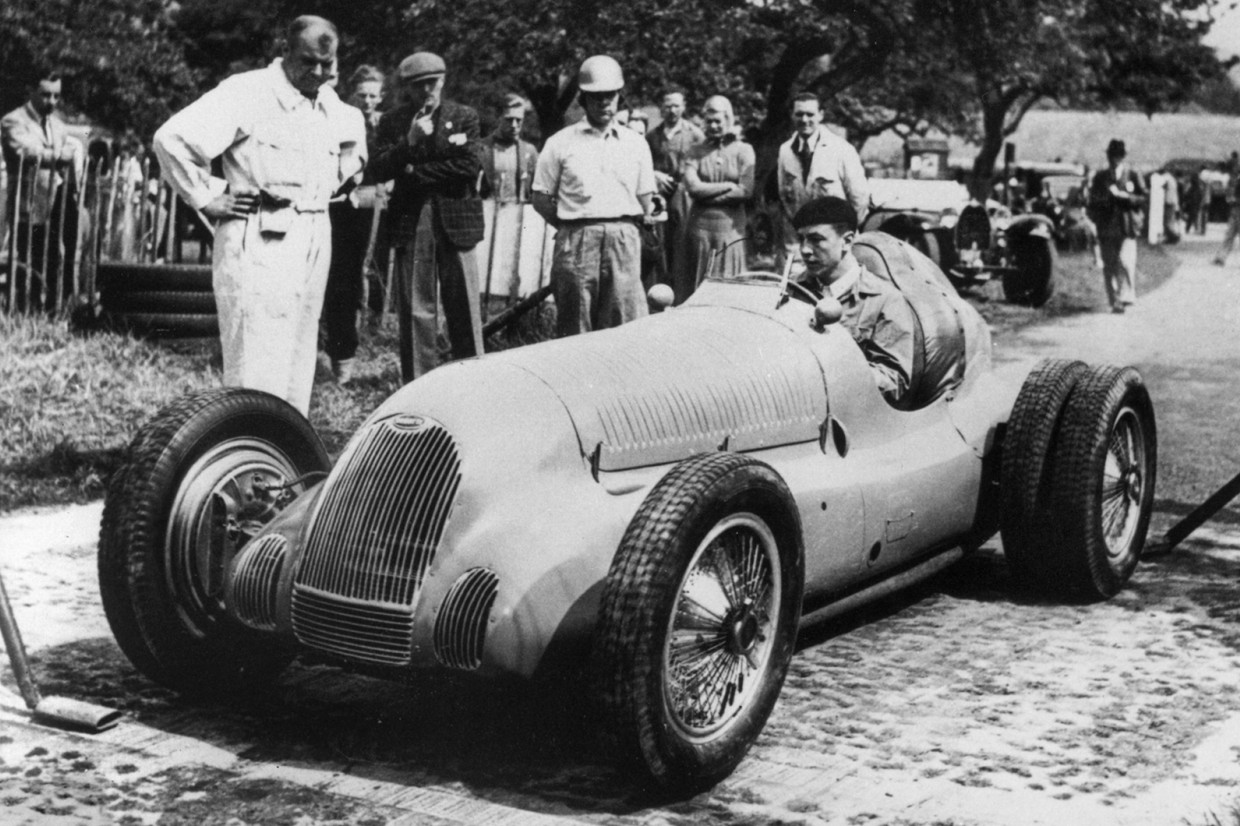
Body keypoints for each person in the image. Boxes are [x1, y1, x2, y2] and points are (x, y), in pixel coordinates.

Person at [153, 15, 367, 415]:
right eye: (308, 62)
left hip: (313, 233)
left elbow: (353, 149)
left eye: (327, 64)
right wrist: (209, 196)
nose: (317, 73)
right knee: (258, 361)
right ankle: (250, 448)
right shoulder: (248, 92)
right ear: (285, 50)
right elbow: (172, 140)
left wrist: (332, 181)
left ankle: (284, 448)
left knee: (298, 361)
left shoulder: (329, 103)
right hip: (261, 237)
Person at [367, 52, 486, 384]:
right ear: (407, 88)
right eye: (418, 85)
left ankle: (474, 382)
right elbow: (377, 169)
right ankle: (420, 386)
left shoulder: (464, 117)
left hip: (457, 220)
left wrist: (414, 172)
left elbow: (469, 166)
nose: (426, 91)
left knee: (464, 306)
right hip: (412, 219)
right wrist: (409, 142)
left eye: (432, 83)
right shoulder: (393, 122)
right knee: (416, 308)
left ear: (443, 80)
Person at [532, 55, 657, 337]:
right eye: (596, 96)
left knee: (626, 324)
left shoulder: (636, 144)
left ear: (619, 96)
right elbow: (540, 197)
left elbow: (646, 200)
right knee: (575, 326)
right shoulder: (560, 143)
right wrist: (572, 226)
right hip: (576, 239)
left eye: (610, 95)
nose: (604, 103)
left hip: (623, 239)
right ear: (583, 98)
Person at [792, 196, 915, 406]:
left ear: (847, 241)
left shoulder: (884, 300)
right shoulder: (793, 290)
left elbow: (894, 380)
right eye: (801, 239)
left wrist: (828, 377)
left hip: (848, 413)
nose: (804, 250)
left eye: (816, 239)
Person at [323, 65, 385, 385]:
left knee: (361, 274)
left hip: (372, 207)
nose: (367, 101)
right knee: (335, 278)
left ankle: (356, 341)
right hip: (336, 205)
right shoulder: (338, 117)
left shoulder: (383, 126)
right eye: (362, 95)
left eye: (373, 96)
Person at [2, 72, 81, 312]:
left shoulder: (59, 126)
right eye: (46, 95)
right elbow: (27, 151)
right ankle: (26, 308)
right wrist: (58, 156)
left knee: (58, 255)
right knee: (29, 258)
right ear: (32, 92)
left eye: (56, 96)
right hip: (28, 202)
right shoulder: (13, 121)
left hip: (57, 199)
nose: (52, 101)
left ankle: (57, 306)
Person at [776, 92, 869, 274]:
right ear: (792, 115)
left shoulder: (841, 149)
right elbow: (784, 198)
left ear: (820, 115)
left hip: (835, 248)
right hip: (800, 246)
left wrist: (842, 233)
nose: (804, 120)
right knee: (798, 288)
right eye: (799, 114)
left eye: (810, 114)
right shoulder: (785, 151)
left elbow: (860, 197)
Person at [678, 95, 754, 296]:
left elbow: (745, 190)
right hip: (700, 229)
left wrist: (706, 196)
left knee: (729, 286)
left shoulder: (744, 150)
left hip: (730, 229)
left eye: (718, 121)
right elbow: (693, 188)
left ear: (728, 119)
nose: (713, 126)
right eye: (709, 121)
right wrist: (728, 185)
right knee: (697, 284)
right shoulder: (695, 151)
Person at [646, 87, 705, 289]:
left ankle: (683, 287)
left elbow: (703, 162)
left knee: (683, 239)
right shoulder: (653, 135)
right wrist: (656, 174)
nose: (672, 111)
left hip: (684, 193)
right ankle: (661, 286)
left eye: (676, 106)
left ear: (684, 107)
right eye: (668, 106)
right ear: (661, 108)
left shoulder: (694, 134)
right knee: (661, 240)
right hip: (660, 193)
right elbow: (644, 163)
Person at [1087, 138, 1146, 313]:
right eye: (1112, 155)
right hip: (1106, 226)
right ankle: (1115, 300)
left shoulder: (1133, 175)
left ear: (1123, 157)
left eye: (1118, 155)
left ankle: (1126, 294)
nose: (1115, 159)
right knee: (1109, 264)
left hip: (1126, 226)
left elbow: (1143, 198)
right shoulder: (1100, 177)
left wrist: (1126, 197)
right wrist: (1106, 199)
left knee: (1125, 261)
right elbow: (1093, 201)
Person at [477, 93, 538, 204]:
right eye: (509, 120)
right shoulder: (481, 148)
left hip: (519, 211)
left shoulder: (530, 151)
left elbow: (542, 187)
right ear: (499, 117)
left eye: (518, 120)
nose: (514, 125)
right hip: (488, 210)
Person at [1215, 154, 1240, 266]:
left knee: (1229, 235)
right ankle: (1221, 257)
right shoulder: (1234, 180)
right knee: (1229, 235)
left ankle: (1221, 257)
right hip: (1235, 211)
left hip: (1237, 209)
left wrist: (1233, 200)